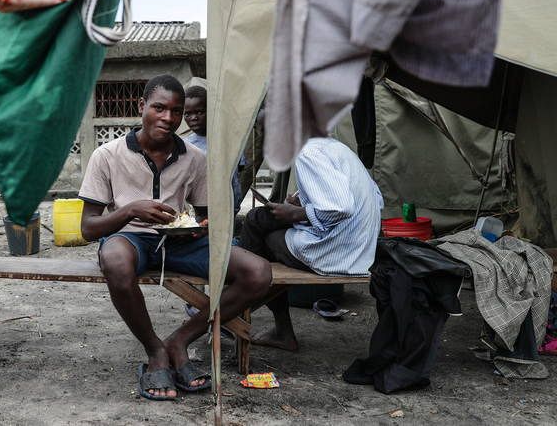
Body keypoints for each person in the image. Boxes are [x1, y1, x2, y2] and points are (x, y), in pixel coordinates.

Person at [79, 74, 271, 401]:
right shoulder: (107, 155)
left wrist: (202, 226)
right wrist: (129, 211)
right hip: (129, 240)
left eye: (177, 111)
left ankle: (180, 340)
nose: (169, 118)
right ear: (141, 107)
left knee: (258, 273)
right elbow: (88, 228)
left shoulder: (196, 158)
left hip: (179, 242)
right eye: (159, 108)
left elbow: (207, 216)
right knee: (115, 261)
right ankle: (155, 350)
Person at [239, 137, 383, 352]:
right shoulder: (335, 147)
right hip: (361, 251)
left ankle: (240, 308)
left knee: (257, 229)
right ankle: (261, 317)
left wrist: (297, 212)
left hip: (336, 255)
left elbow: (340, 208)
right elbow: (375, 199)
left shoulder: (308, 153)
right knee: (261, 220)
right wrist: (303, 202)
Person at [183, 85, 245, 214]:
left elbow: (239, 168)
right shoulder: (185, 145)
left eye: (199, 112)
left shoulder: (228, 140)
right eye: (188, 114)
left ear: (210, 110)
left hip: (228, 205)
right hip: (200, 208)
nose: (194, 117)